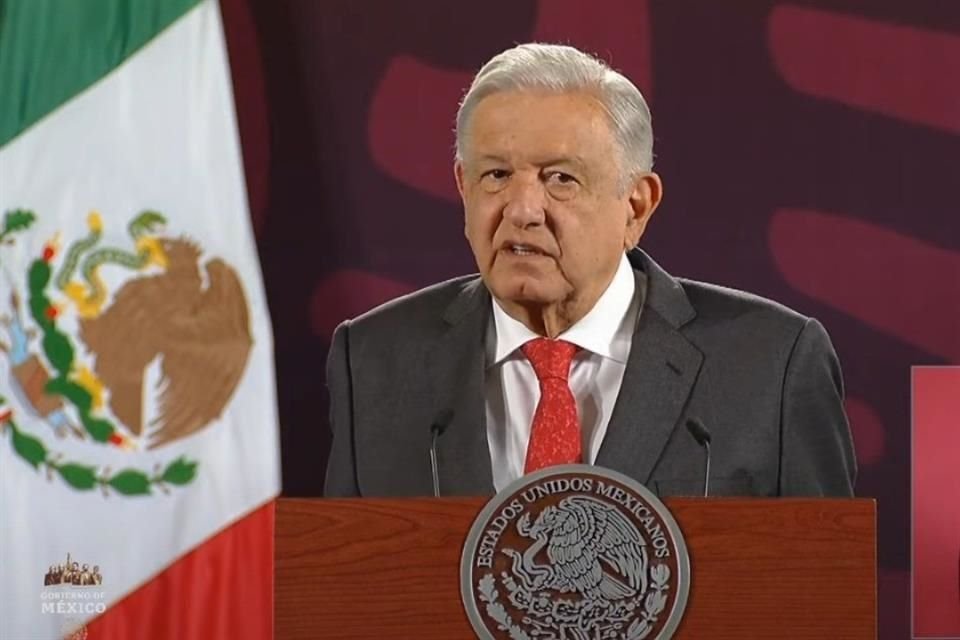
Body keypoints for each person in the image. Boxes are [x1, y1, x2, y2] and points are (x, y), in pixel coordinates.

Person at [324, 43, 856, 498]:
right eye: (496, 174)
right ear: (463, 187)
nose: (522, 208)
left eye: (559, 178)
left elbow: (826, 599)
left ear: (636, 206)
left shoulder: (772, 364)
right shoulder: (374, 361)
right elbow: (343, 596)